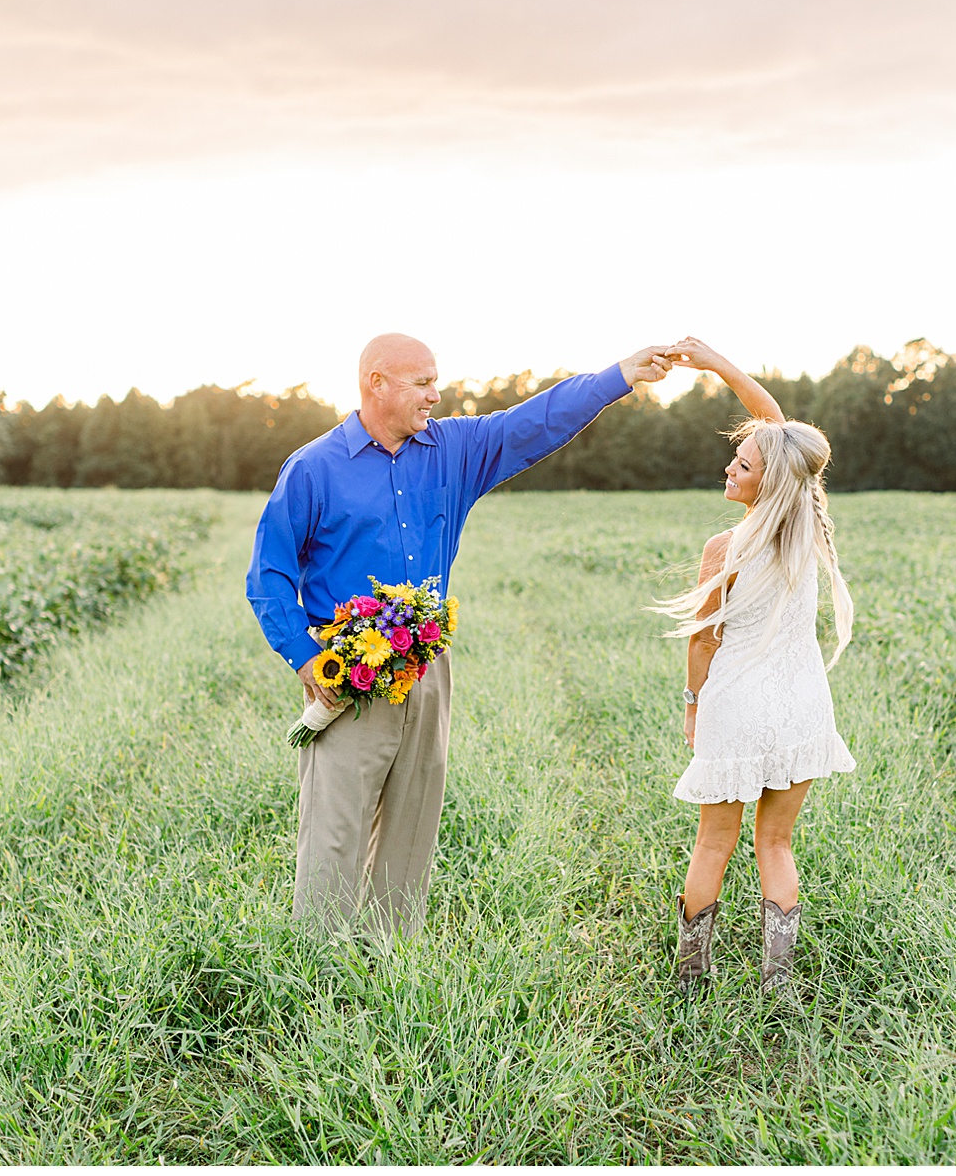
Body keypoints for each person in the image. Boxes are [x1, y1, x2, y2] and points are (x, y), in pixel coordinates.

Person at [248, 333, 673, 936]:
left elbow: (536, 421)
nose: (435, 394)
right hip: (345, 671)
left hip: (427, 664)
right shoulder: (313, 467)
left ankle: (389, 966)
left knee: (413, 823)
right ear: (376, 383)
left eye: (434, 381)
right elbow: (267, 576)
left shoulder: (454, 450)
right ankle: (319, 972)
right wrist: (305, 660)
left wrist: (618, 377)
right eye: (421, 382)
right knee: (334, 831)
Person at [653, 336, 855, 993]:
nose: (730, 468)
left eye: (743, 464)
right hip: (801, 704)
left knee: (715, 842)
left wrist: (691, 708)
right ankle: (778, 984)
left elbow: (703, 644)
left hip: (737, 704)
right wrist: (717, 365)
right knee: (777, 844)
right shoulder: (809, 522)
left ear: (770, 478)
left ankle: (692, 978)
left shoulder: (725, 547)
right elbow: (782, 433)